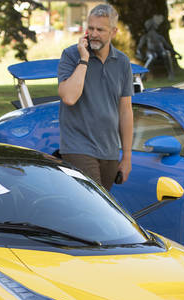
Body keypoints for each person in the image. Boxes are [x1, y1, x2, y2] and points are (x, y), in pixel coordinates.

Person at [57, 3, 133, 191]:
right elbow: (69, 97)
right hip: (78, 147)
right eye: (90, 28)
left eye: (100, 29)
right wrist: (83, 60)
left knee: (100, 210)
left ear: (113, 32)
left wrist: (127, 157)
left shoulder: (122, 62)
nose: (93, 34)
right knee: (94, 205)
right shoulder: (71, 55)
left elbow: (125, 111)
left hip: (109, 151)